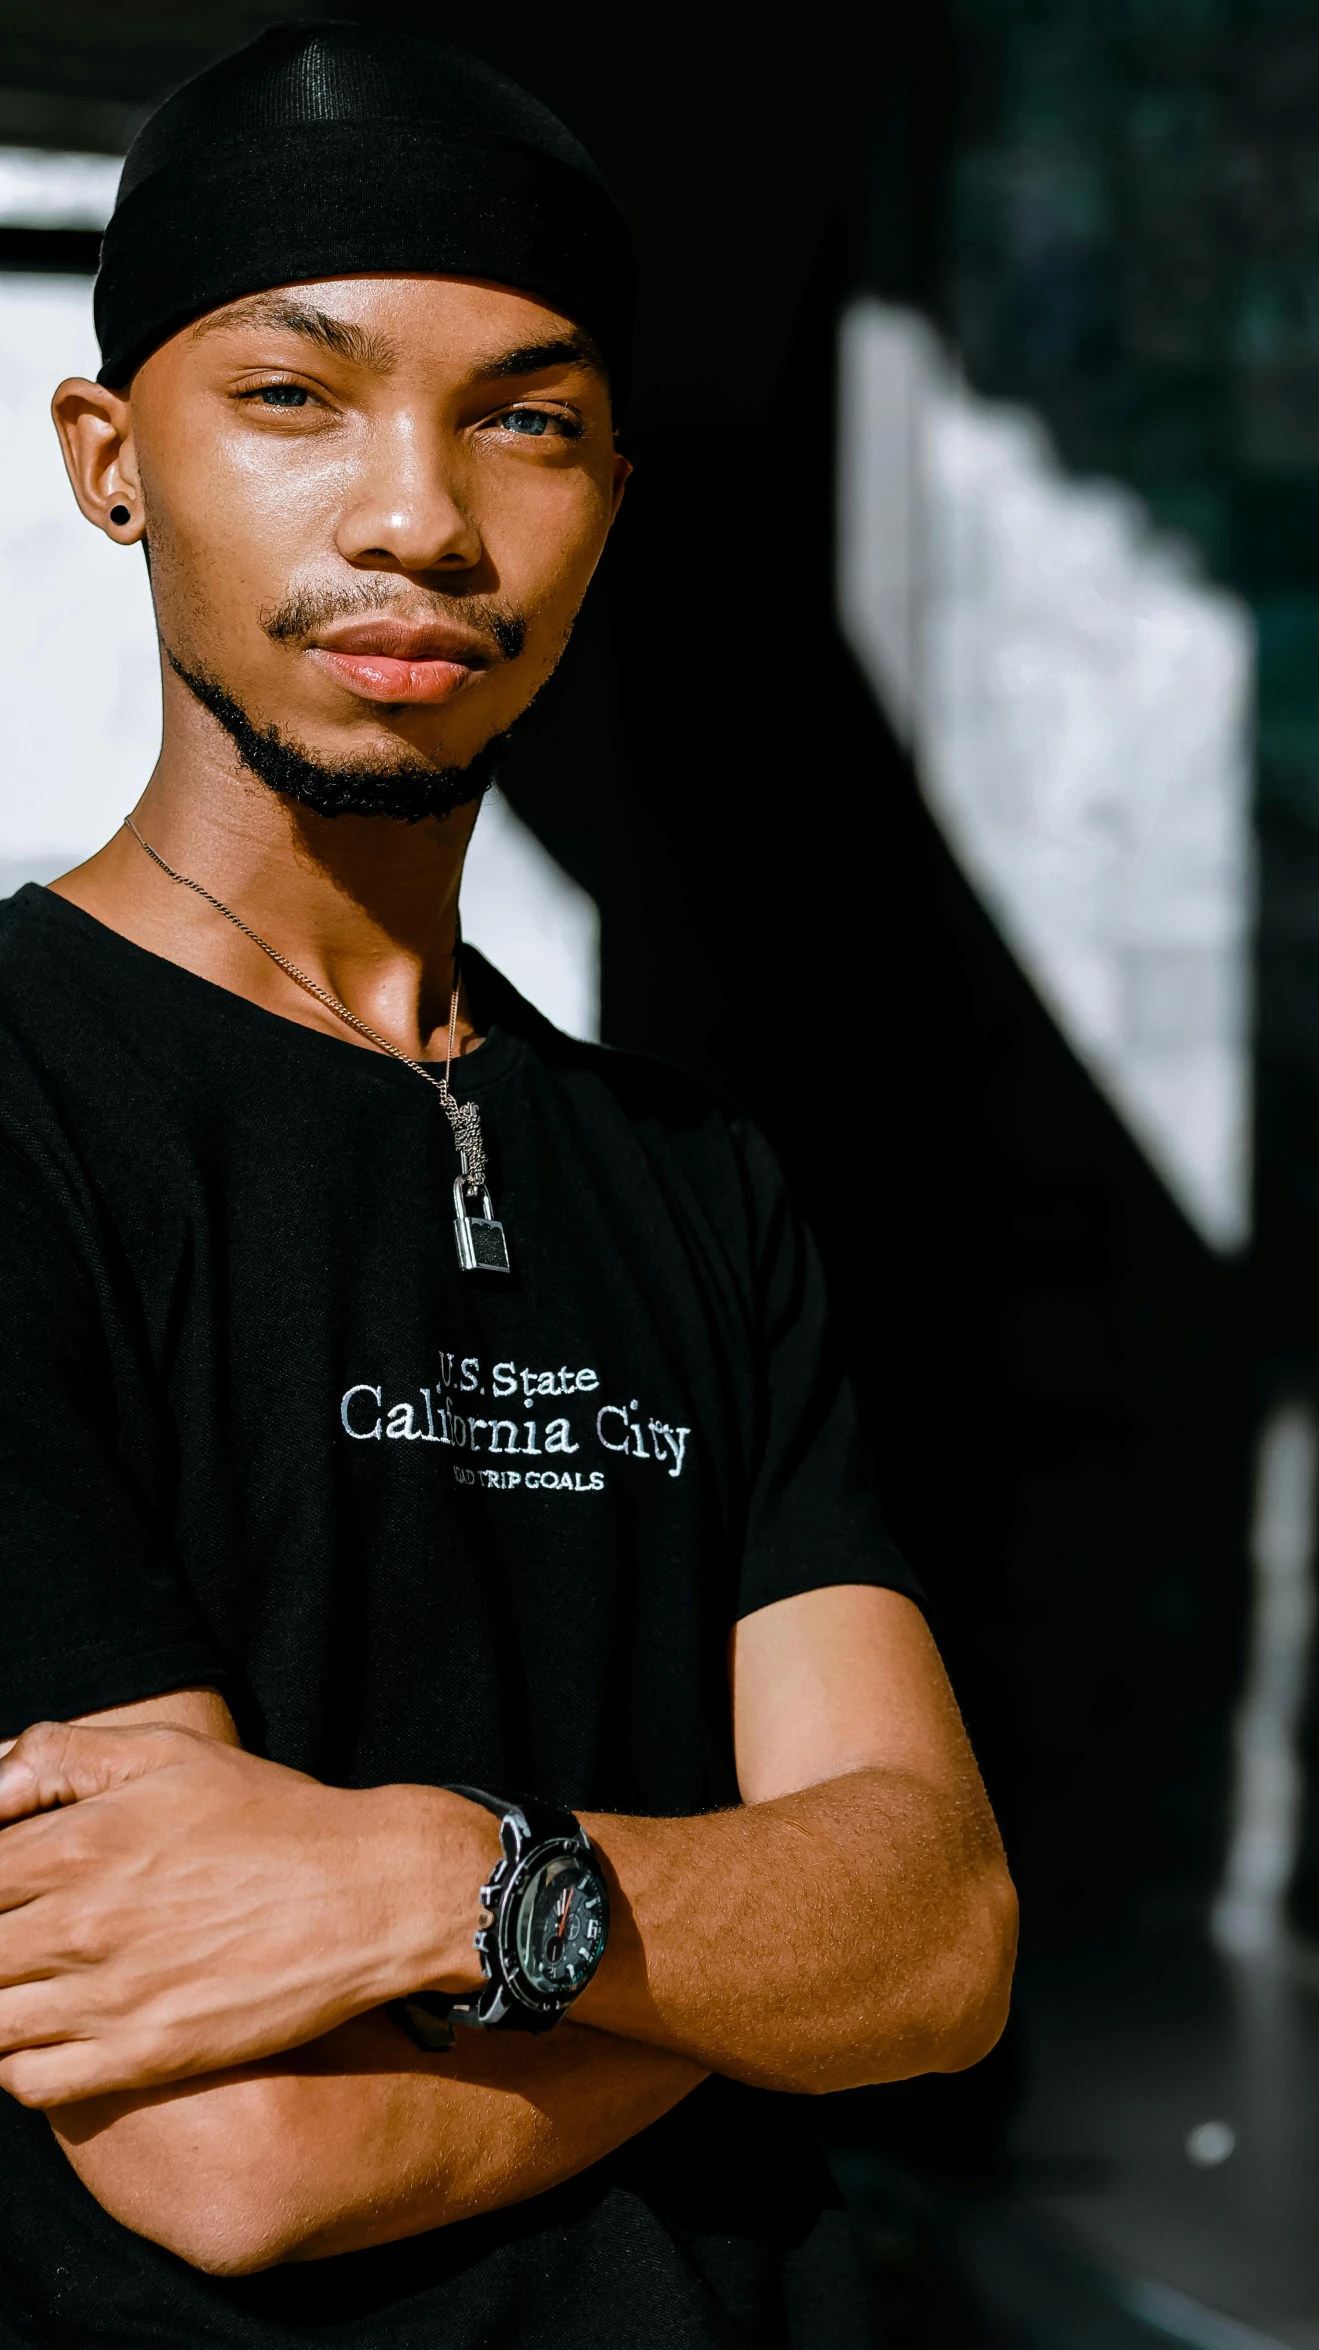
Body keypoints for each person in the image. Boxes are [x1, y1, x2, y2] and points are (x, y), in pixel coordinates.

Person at [0, 20, 1017, 2350]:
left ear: (614, 498)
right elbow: (234, 2149)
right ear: (108, 456)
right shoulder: (23, 1109)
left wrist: (435, 1879)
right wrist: (743, 1961)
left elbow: (945, 1936)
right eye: (296, 397)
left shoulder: (697, 1179)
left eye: (526, 420)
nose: (419, 518)